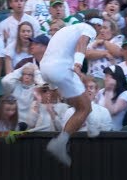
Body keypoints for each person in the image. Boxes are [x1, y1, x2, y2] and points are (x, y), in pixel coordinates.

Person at [40, 22, 97, 166]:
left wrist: (53, 88)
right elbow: (82, 41)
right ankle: (60, 143)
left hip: (45, 69)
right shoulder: (89, 28)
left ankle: (91, 126)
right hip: (61, 69)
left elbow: (53, 53)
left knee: (79, 104)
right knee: (85, 108)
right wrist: (78, 65)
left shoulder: (65, 31)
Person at [1, 63, 45, 129]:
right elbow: (5, 81)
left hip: (28, 125)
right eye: (24, 74)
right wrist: (21, 69)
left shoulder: (36, 89)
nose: (26, 76)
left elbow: (44, 86)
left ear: (34, 76)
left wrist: (36, 71)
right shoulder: (14, 85)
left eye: (30, 74)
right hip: (13, 122)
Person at [96, 65, 127, 131]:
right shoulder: (101, 92)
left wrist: (109, 91)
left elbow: (111, 112)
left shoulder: (125, 94)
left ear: (116, 78)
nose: (105, 79)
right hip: (99, 131)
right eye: (105, 76)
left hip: (114, 134)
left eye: (108, 77)